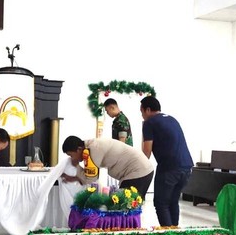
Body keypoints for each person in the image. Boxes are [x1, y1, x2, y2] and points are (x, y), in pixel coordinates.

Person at [140, 96, 193, 227]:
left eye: (141, 112)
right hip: (186, 167)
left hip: (169, 168)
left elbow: (147, 152)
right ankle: (174, 233)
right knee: (173, 202)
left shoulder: (149, 123)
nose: (141, 115)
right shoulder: (172, 119)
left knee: (161, 203)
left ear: (147, 110)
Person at [60, 136, 154, 199]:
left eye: (71, 155)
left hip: (138, 172)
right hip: (142, 170)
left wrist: (76, 166)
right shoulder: (89, 146)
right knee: (129, 207)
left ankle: (131, 229)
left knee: (125, 208)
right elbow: (89, 176)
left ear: (79, 149)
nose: (72, 159)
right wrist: (75, 177)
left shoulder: (92, 150)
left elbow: (91, 179)